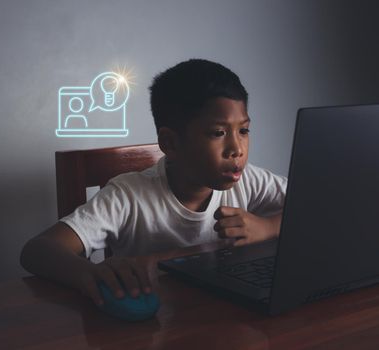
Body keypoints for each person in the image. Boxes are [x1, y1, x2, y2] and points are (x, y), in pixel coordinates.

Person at [20, 59, 287, 306]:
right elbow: (37, 250)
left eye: (244, 130)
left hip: (223, 315)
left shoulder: (249, 180)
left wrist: (267, 227)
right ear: (170, 143)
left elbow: (320, 203)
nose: (237, 149)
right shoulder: (129, 196)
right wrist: (91, 272)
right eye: (218, 133)